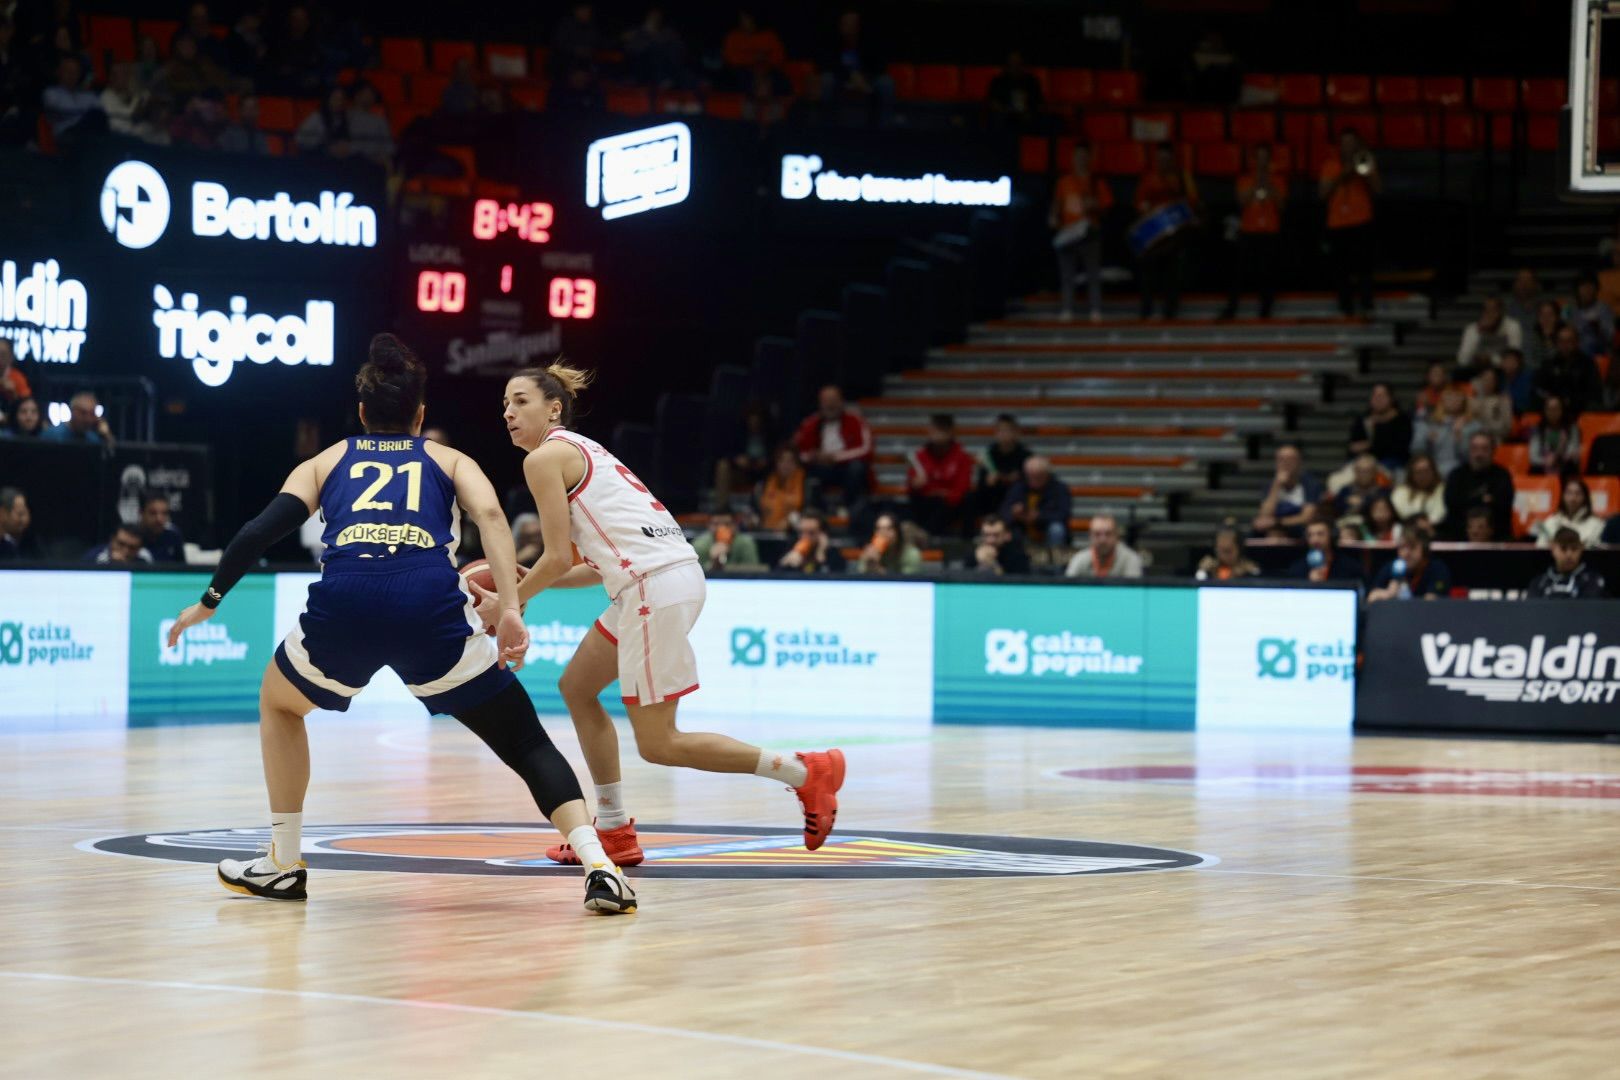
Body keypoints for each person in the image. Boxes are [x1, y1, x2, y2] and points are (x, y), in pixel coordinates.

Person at [162, 335, 635, 913]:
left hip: (347, 604)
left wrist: (208, 602)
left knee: (280, 705)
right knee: (525, 739)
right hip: (429, 608)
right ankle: (600, 865)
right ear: (420, 417)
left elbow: (259, 531)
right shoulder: (448, 459)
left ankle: (284, 862)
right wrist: (510, 609)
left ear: (362, 414)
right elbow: (491, 520)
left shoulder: (328, 459)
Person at [490, 363, 846, 868]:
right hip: (661, 579)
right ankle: (612, 828)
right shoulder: (584, 450)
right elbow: (588, 567)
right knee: (577, 687)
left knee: (659, 743)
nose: (508, 412)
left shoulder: (546, 457)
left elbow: (553, 559)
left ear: (554, 408)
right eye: (504, 403)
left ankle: (805, 772)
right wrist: (523, 589)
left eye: (520, 400)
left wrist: (512, 601)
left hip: (650, 589)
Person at [1219, 143, 1286, 319]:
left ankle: (1266, 310)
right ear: (1254, 160)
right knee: (1239, 272)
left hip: (1270, 231)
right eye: (1259, 158)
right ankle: (1231, 308)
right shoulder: (1245, 179)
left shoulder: (1277, 179)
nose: (1262, 162)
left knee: (1268, 272)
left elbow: (1281, 206)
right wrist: (1257, 182)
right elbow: (1241, 203)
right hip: (1249, 230)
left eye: (1265, 158)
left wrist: (1269, 184)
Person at [1133, 142, 1198, 320]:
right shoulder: (1148, 178)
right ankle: (1146, 310)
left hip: (1174, 234)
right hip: (1153, 234)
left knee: (1172, 274)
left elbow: (1192, 201)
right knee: (1148, 274)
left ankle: (1170, 310)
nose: (1163, 162)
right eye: (1160, 159)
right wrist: (1144, 207)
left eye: (1166, 159)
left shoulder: (1182, 177)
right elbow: (1139, 203)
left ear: (1172, 159)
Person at [1319, 128, 1380, 316]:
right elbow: (1322, 195)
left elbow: (1378, 189)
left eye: (1351, 143)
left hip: (1361, 221)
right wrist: (1343, 175)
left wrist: (1365, 173)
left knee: (1364, 267)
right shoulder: (1330, 165)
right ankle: (1346, 306)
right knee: (1341, 269)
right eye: (1344, 143)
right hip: (1338, 224)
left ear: (1357, 144)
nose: (1348, 147)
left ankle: (1367, 304)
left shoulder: (1365, 161)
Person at [1049, 144, 1113, 321]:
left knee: (1092, 273)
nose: (1081, 159)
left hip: (1088, 231)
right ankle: (1067, 308)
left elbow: (1107, 206)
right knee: (1067, 274)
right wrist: (1053, 218)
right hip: (1068, 232)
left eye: (1084, 156)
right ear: (1073, 158)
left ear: (1089, 159)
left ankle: (1095, 309)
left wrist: (1096, 206)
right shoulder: (1064, 182)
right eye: (1078, 156)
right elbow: (1056, 206)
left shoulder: (1095, 182)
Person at [814, 10, 894, 122]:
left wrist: (864, 78)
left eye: (849, 23)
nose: (845, 26)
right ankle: (826, 124)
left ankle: (885, 124)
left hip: (866, 79)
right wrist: (850, 76)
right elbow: (827, 64)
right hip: (842, 79)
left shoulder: (870, 42)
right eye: (843, 23)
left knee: (886, 83)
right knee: (827, 80)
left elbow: (879, 66)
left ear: (857, 26)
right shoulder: (833, 42)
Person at [905, 413, 975, 537]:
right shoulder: (920, 456)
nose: (934, 435)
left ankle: (966, 540)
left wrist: (945, 494)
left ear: (949, 433)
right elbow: (911, 485)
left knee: (968, 499)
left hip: (950, 504)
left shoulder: (962, 457)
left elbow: (962, 487)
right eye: (932, 431)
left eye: (938, 431)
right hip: (927, 501)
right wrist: (915, 484)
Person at [1442, 432, 1514, 541]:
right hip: (1459, 533)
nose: (1479, 454)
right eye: (1474, 448)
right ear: (1469, 451)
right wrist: (1484, 499)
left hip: (1495, 535)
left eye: (1484, 449)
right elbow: (1452, 504)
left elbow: (1503, 506)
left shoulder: (1502, 475)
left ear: (1492, 451)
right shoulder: (1456, 475)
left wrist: (1469, 500)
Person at [1000, 455, 1073, 549]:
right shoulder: (1018, 487)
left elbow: (1064, 514)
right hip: (1022, 529)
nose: (1034, 480)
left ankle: (1054, 559)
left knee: (1056, 529)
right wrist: (1013, 513)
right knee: (1008, 531)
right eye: (1030, 476)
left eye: (1038, 476)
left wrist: (1038, 516)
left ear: (1047, 474)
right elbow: (1003, 510)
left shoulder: (1059, 489)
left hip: (1046, 528)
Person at [1252, 443, 1322, 538]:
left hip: (1298, 529)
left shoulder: (1310, 484)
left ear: (1299, 462)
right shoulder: (1271, 485)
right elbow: (1264, 515)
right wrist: (1276, 487)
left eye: (1290, 459)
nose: (1286, 463)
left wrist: (1277, 522)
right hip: (1275, 528)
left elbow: (1307, 517)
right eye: (1281, 459)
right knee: (1257, 529)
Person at [713, 402, 773, 510]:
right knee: (722, 466)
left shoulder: (771, 434)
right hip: (744, 473)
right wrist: (737, 459)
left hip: (766, 475)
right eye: (752, 421)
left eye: (757, 421)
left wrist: (767, 462)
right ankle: (722, 508)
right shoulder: (739, 433)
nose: (754, 424)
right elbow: (724, 451)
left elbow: (778, 454)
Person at [1409, 386, 1479, 478]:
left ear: (1464, 402)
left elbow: (1473, 457)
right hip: (1433, 473)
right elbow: (1415, 452)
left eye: (1457, 397)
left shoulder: (1474, 426)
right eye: (1449, 397)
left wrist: (1459, 436)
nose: (1453, 400)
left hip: (1463, 472)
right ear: (1442, 401)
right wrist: (1427, 440)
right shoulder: (1429, 423)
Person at [975, 414, 1032, 520]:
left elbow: (1028, 481)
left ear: (1016, 433)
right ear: (995, 433)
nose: (1004, 434)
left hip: (1015, 500)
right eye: (1000, 431)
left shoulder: (1025, 455)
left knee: (1018, 489)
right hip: (993, 498)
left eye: (1008, 431)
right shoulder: (988, 455)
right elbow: (982, 483)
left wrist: (1005, 478)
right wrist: (987, 481)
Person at [1368, 528, 1451, 601]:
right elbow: (1371, 597)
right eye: (1402, 547)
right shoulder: (1393, 567)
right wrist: (1388, 594)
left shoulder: (1437, 569)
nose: (1406, 553)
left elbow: (1431, 603)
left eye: (1412, 547)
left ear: (1424, 549)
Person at [1526, 527, 1608, 598]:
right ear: (1553, 548)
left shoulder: (1592, 581)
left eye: (1574, 548)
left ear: (1581, 548)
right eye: (1563, 548)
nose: (1569, 555)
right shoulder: (1539, 583)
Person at [1536, 326, 1602, 414]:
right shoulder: (1549, 363)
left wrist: (1572, 400)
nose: (1565, 345)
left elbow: (1593, 391)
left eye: (1569, 341)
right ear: (1556, 343)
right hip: (1554, 410)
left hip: (1580, 409)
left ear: (1576, 342)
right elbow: (1540, 388)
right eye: (1561, 341)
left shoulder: (1587, 363)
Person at [41, 55, 103, 139]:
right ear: (59, 72)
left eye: (75, 71)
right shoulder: (51, 93)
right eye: (68, 71)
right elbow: (61, 112)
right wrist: (84, 115)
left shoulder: (88, 96)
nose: (71, 74)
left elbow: (100, 114)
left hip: (89, 136)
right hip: (65, 137)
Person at [1064, 513, 1143, 578]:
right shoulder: (1079, 559)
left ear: (1116, 536)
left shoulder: (1130, 559)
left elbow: (1134, 594)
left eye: (1108, 534)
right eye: (1097, 534)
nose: (1102, 540)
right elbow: (1067, 591)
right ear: (1090, 536)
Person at [1533, 477, 1605, 547]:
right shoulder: (1551, 521)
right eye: (1569, 493)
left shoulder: (1596, 524)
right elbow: (1540, 547)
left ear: (1585, 497)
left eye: (1578, 493)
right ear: (1563, 496)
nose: (1573, 498)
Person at [1456, 296, 1522, 372]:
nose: (1490, 314)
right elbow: (1462, 360)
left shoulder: (1512, 326)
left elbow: (1514, 360)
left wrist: (1491, 359)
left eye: (1494, 310)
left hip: (1503, 372)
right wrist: (1479, 332)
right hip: (1478, 371)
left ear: (1501, 311)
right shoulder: (1472, 329)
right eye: (1486, 310)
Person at [1286, 520, 1365, 582]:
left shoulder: (1350, 566)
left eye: (1320, 534)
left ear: (1332, 536)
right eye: (1310, 535)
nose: (1315, 540)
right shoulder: (1297, 568)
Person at [984, 51, 1044, 130]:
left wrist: (1028, 110)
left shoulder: (1031, 81)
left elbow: (1038, 101)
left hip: (1026, 114)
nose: (1015, 66)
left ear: (1022, 64)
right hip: (1005, 114)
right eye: (1012, 62)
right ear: (1007, 64)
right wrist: (1004, 110)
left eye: (1017, 63)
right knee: (996, 118)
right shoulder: (998, 81)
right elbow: (993, 101)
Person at [775, 507, 846, 574]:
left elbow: (835, 580)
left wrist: (820, 555)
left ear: (822, 534)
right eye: (801, 532)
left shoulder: (833, 553)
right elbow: (776, 577)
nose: (805, 537)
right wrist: (786, 563)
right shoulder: (792, 546)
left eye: (811, 533)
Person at [1528, 394, 1582, 476]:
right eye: (1549, 409)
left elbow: (1573, 453)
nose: (1553, 412)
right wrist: (1546, 461)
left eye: (1556, 409)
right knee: (1534, 469)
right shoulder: (1537, 430)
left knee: (1571, 466)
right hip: (1543, 467)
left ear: (1562, 410)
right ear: (1544, 411)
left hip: (1564, 467)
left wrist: (1557, 456)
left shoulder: (1571, 429)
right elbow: (1533, 457)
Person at [1564, 274, 1615, 360]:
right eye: (1583, 286)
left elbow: (1609, 338)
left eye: (1591, 286)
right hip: (1575, 356)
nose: (1587, 290)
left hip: (1598, 356)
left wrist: (1597, 328)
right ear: (1577, 290)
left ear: (1596, 289)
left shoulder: (1603, 309)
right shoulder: (1571, 310)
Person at [691, 510, 760, 572]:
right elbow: (695, 574)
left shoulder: (746, 543)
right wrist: (713, 563)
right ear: (709, 525)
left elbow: (752, 571)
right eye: (716, 524)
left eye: (727, 524)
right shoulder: (699, 544)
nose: (722, 528)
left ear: (735, 525)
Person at [1391, 453, 1447, 530]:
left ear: (1434, 471)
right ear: (1411, 474)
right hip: (1408, 531)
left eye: (1426, 471)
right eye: (1418, 472)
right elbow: (1402, 513)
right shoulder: (1401, 492)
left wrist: (1429, 523)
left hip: (1437, 530)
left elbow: (1440, 513)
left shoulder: (1443, 490)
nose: (1423, 475)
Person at [756, 444, 805, 530]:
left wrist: (790, 521)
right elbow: (757, 511)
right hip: (766, 530)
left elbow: (810, 513)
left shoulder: (806, 484)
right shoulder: (764, 484)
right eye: (781, 460)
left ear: (796, 463)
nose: (785, 465)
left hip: (795, 532)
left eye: (790, 461)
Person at [855, 512, 922, 575]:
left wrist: (878, 569)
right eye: (878, 529)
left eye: (889, 528)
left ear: (897, 532)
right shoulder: (870, 552)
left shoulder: (912, 554)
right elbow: (860, 577)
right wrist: (868, 564)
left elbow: (908, 582)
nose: (883, 533)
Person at [345, 80, 394, 165]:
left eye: (372, 94)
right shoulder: (345, 117)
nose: (371, 96)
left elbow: (388, 146)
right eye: (367, 93)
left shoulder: (379, 121)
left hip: (373, 163)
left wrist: (383, 157)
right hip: (349, 161)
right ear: (357, 95)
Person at [294, 84, 351, 156]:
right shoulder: (317, 117)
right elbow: (299, 138)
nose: (339, 102)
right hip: (315, 156)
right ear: (328, 99)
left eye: (341, 99)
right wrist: (324, 146)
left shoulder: (343, 118)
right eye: (335, 99)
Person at [40, 390, 112, 446]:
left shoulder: (93, 439)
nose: (88, 419)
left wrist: (106, 436)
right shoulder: (52, 435)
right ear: (72, 411)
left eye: (92, 414)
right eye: (83, 413)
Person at [1332, 454, 1390, 521]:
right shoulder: (1345, 490)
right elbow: (1337, 510)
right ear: (1355, 471)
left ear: (1375, 472)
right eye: (1360, 470)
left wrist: (1362, 503)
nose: (1363, 474)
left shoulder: (1383, 491)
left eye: (1367, 471)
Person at [134, 492, 186, 563]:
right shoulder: (131, 537)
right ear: (141, 513)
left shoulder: (173, 536)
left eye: (164, 513)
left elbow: (182, 570)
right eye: (153, 513)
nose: (159, 519)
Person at [1194, 525, 1260, 580]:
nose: (1223, 556)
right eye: (1220, 550)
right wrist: (1202, 571)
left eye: (1228, 551)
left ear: (1239, 549)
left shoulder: (1249, 569)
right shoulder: (1208, 568)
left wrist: (1251, 573)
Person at [100, 60, 147, 135]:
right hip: (119, 139)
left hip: (136, 135)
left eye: (127, 74)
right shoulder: (106, 97)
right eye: (124, 74)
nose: (127, 78)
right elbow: (119, 124)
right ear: (112, 77)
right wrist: (139, 100)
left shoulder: (126, 94)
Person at [1471, 366, 1514, 442]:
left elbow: (1507, 428)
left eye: (1491, 379)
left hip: (1495, 439)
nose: (1488, 382)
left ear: (1496, 382)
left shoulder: (1503, 400)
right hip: (1475, 440)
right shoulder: (1473, 401)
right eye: (1485, 379)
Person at [1524, 300, 1563, 371]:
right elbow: (1529, 361)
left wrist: (1548, 338)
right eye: (1542, 315)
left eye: (1550, 314)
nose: (1546, 318)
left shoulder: (1564, 335)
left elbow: (1559, 360)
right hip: (1537, 374)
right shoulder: (1531, 336)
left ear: (1557, 317)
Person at [87, 524, 152, 564]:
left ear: (139, 549)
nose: (125, 551)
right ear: (112, 540)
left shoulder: (144, 559)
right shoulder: (94, 557)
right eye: (121, 544)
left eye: (132, 548)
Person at [0, 486, 35, 560]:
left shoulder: (31, 544)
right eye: (20, 514)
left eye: (27, 513)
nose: (26, 519)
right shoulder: (4, 547)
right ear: (2, 513)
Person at [1499, 348, 1535, 415]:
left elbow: (1524, 403)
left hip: (1523, 416)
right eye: (1504, 360)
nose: (1505, 363)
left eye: (1509, 360)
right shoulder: (1502, 378)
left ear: (1517, 362)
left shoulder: (1526, 378)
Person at [0, 337, 30, 406]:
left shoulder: (18, 379)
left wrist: (14, 393)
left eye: (3, 354)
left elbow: (27, 405)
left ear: (11, 357)